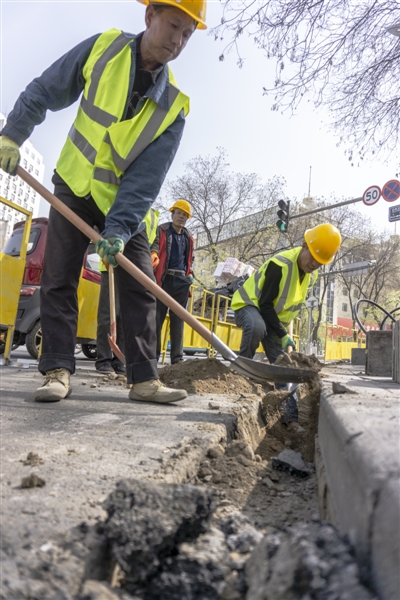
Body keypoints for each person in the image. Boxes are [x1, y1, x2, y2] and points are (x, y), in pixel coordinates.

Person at [0, 0, 207, 404]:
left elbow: (146, 179)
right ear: (150, 17)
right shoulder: (104, 49)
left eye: (187, 34)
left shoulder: (174, 107)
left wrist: (118, 229)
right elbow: (47, 87)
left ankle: (144, 379)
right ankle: (57, 369)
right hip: (74, 185)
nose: (179, 40)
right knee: (59, 276)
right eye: (174, 26)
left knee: (141, 286)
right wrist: (13, 134)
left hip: (123, 208)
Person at [231, 223, 341, 422]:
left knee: (283, 368)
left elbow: (289, 303)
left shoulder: (311, 273)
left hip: (273, 319)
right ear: (304, 245)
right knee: (257, 327)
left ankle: (288, 418)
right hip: (249, 305)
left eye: (321, 261)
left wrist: (283, 333)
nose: (315, 264)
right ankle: (242, 373)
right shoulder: (279, 265)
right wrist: (282, 334)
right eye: (314, 257)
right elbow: (265, 305)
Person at [95, 208, 159, 374]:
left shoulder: (153, 215)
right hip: (112, 263)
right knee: (108, 314)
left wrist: (153, 252)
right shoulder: (121, 202)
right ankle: (103, 359)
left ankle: (119, 360)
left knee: (126, 315)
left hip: (134, 267)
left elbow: (154, 240)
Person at [151, 199, 194, 364]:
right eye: (179, 213)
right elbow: (154, 246)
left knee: (178, 320)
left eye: (185, 215)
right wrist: (154, 254)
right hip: (164, 279)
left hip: (181, 281)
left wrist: (189, 275)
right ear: (172, 214)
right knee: (157, 318)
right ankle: (153, 357)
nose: (181, 217)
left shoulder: (189, 237)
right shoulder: (162, 230)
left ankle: (177, 358)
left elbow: (190, 258)